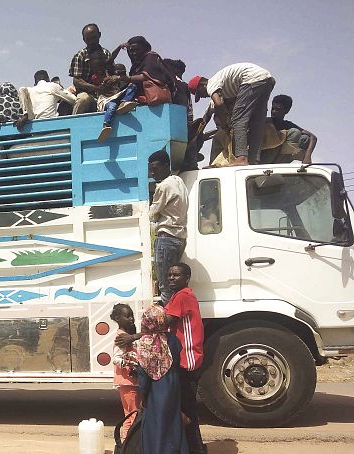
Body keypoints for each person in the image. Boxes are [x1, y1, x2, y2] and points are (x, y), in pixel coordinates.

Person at [188, 63, 276, 165]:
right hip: (267, 80)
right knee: (257, 122)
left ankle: (241, 158)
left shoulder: (211, 84)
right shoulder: (225, 86)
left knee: (238, 120)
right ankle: (253, 159)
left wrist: (225, 125)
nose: (203, 96)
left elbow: (218, 104)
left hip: (252, 79)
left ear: (202, 85)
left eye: (200, 93)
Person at [99, 36, 176, 142]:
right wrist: (118, 48)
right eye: (131, 51)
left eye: (137, 50)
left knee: (132, 86)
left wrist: (126, 79)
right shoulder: (135, 66)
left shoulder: (151, 57)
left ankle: (124, 103)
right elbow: (107, 64)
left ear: (145, 48)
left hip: (155, 97)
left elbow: (146, 77)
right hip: (139, 100)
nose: (134, 53)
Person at [134, 304, 188, 454]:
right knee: (173, 419)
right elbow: (177, 358)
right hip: (173, 383)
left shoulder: (145, 343)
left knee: (156, 423)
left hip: (156, 388)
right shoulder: (172, 339)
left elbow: (143, 374)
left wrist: (142, 395)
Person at [165, 263, 206, 454]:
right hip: (187, 359)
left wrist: (134, 336)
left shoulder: (182, 296)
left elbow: (163, 322)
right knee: (185, 408)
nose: (171, 278)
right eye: (170, 275)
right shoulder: (181, 295)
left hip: (186, 361)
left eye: (176, 275)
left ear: (186, 278)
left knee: (186, 410)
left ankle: (194, 449)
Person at [148, 149, 188, 304]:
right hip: (179, 238)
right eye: (151, 170)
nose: (152, 174)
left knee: (166, 287)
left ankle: (168, 324)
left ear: (166, 166)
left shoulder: (163, 186)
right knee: (175, 286)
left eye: (155, 169)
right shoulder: (179, 181)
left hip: (167, 239)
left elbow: (152, 214)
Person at [69, 23, 116, 114]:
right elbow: (76, 80)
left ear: (99, 35)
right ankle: (75, 126)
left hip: (106, 94)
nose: (91, 41)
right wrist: (96, 88)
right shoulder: (80, 55)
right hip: (88, 94)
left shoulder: (106, 53)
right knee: (82, 99)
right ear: (84, 40)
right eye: (88, 39)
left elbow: (113, 73)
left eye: (94, 38)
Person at [110, 303, 139, 443]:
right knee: (133, 416)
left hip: (129, 382)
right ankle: (128, 445)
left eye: (132, 316)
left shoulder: (127, 335)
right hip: (127, 382)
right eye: (127, 316)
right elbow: (116, 358)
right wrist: (131, 364)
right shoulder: (122, 337)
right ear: (117, 318)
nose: (131, 319)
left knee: (130, 415)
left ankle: (125, 444)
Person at [263, 94, 317, 164]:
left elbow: (313, 137)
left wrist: (308, 156)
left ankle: (282, 163)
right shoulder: (265, 122)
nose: (274, 112)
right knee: (295, 132)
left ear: (286, 111)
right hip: (263, 157)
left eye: (277, 109)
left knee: (304, 138)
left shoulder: (287, 125)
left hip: (278, 157)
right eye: (273, 109)